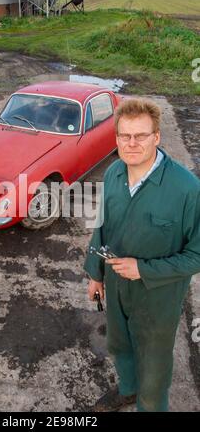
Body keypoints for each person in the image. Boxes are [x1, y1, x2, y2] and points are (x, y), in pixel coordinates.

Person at [84, 98, 200, 412]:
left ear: (157, 137)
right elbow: (102, 226)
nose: (132, 144)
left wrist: (144, 270)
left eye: (141, 136)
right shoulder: (113, 174)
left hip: (158, 298)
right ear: (117, 138)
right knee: (119, 344)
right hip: (117, 286)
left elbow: (196, 255)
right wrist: (96, 272)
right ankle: (127, 390)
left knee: (154, 367)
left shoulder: (187, 189)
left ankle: (148, 404)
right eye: (125, 136)